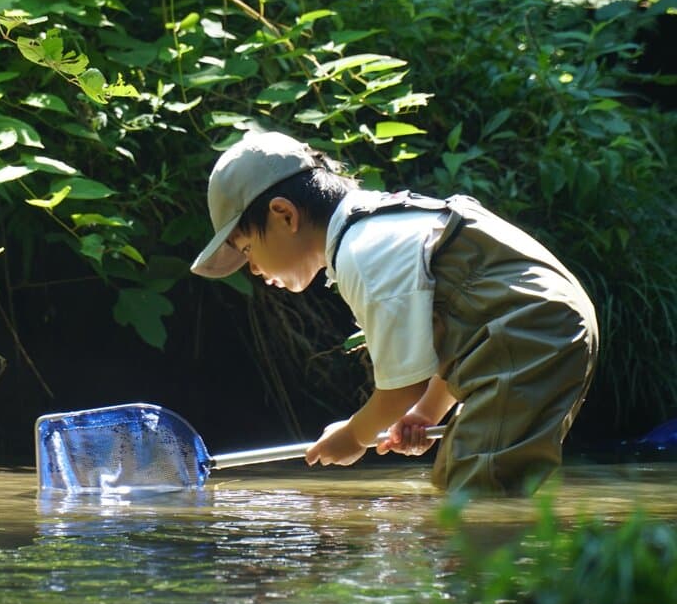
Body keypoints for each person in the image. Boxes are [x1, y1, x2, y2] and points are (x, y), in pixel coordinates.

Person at [190, 130, 599, 494]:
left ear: (284, 215)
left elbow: (401, 388)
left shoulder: (361, 252)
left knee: (475, 494)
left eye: (247, 250)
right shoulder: (378, 223)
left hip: (529, 334)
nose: (255, 270)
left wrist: (354, 436)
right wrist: (426, 413)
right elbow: (463, 329)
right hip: (537, 329)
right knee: (464, 478)